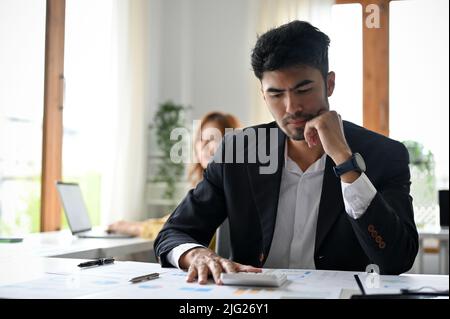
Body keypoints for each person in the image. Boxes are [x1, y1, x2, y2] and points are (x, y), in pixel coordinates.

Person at [154, 20, 419, 285]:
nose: (291, 107)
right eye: (276, 94)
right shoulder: (238, 151)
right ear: (263, 94)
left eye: (303, 90)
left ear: (329, 84)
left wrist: (346, 163)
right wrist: (196, 253)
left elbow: (395, 260)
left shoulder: (384, 155)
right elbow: (174, 233)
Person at [107, 111, 241, 243]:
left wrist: (135, 228)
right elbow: (177, 220)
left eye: (214, 139)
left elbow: (185, 228)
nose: (206, 146)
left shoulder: (232, 187)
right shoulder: (204, 185)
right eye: (202, 139)